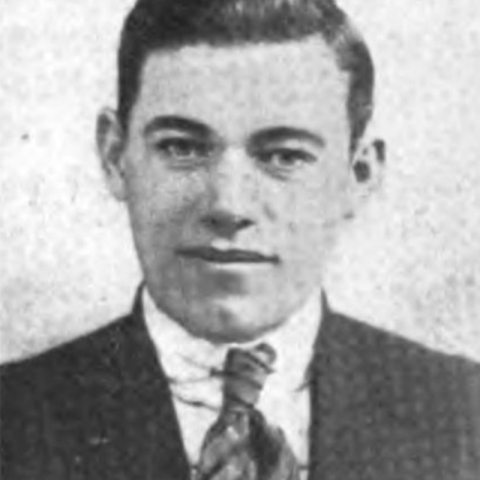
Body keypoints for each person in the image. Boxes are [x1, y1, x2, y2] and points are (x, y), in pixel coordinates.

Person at [1, 0, 479, 479]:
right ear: (114, 156)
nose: (229, 205)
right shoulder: (14, 420)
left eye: (285, 156)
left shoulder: (463, 413)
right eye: (181, 148)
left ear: (358, 174)